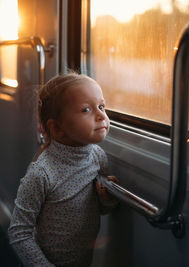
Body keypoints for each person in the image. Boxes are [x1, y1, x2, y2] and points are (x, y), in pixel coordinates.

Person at [8, 72, 119, 267]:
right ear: (58, 128)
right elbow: (19, 232)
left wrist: (106, 200)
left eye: (102, 106)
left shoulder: (98, 157)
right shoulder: (42, 174)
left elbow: (98, 210)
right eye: (86, 109)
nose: (102, 115)